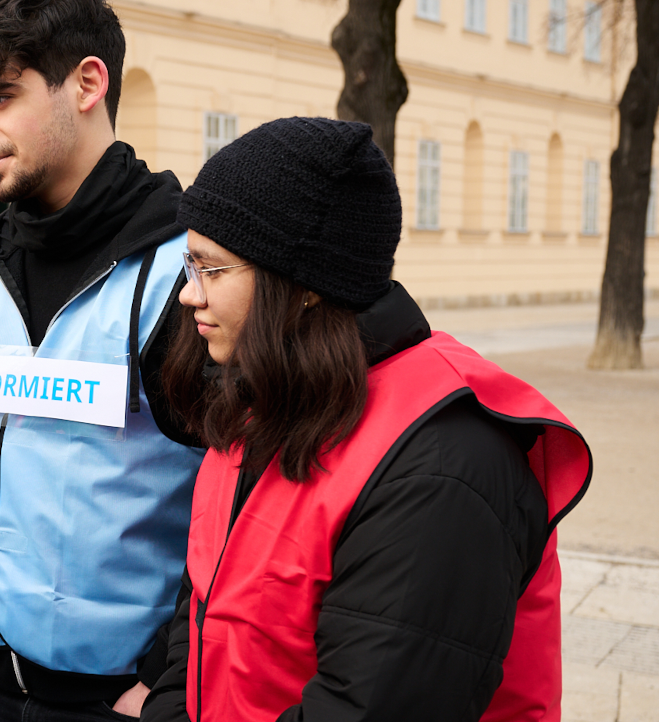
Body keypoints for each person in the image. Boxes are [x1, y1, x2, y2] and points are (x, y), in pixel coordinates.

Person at [140, 117, 593, 721]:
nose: (188, 294)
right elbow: (198, 619)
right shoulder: (260, 396)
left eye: (212, 269)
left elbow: (370, 703)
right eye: (189, 266)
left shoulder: (442, 461)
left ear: (301, 283)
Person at [0, 0, 205, 721]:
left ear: (86, 84)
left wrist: (164, 677)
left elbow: (236, 495)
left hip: (118, 697)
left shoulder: (182, 271)